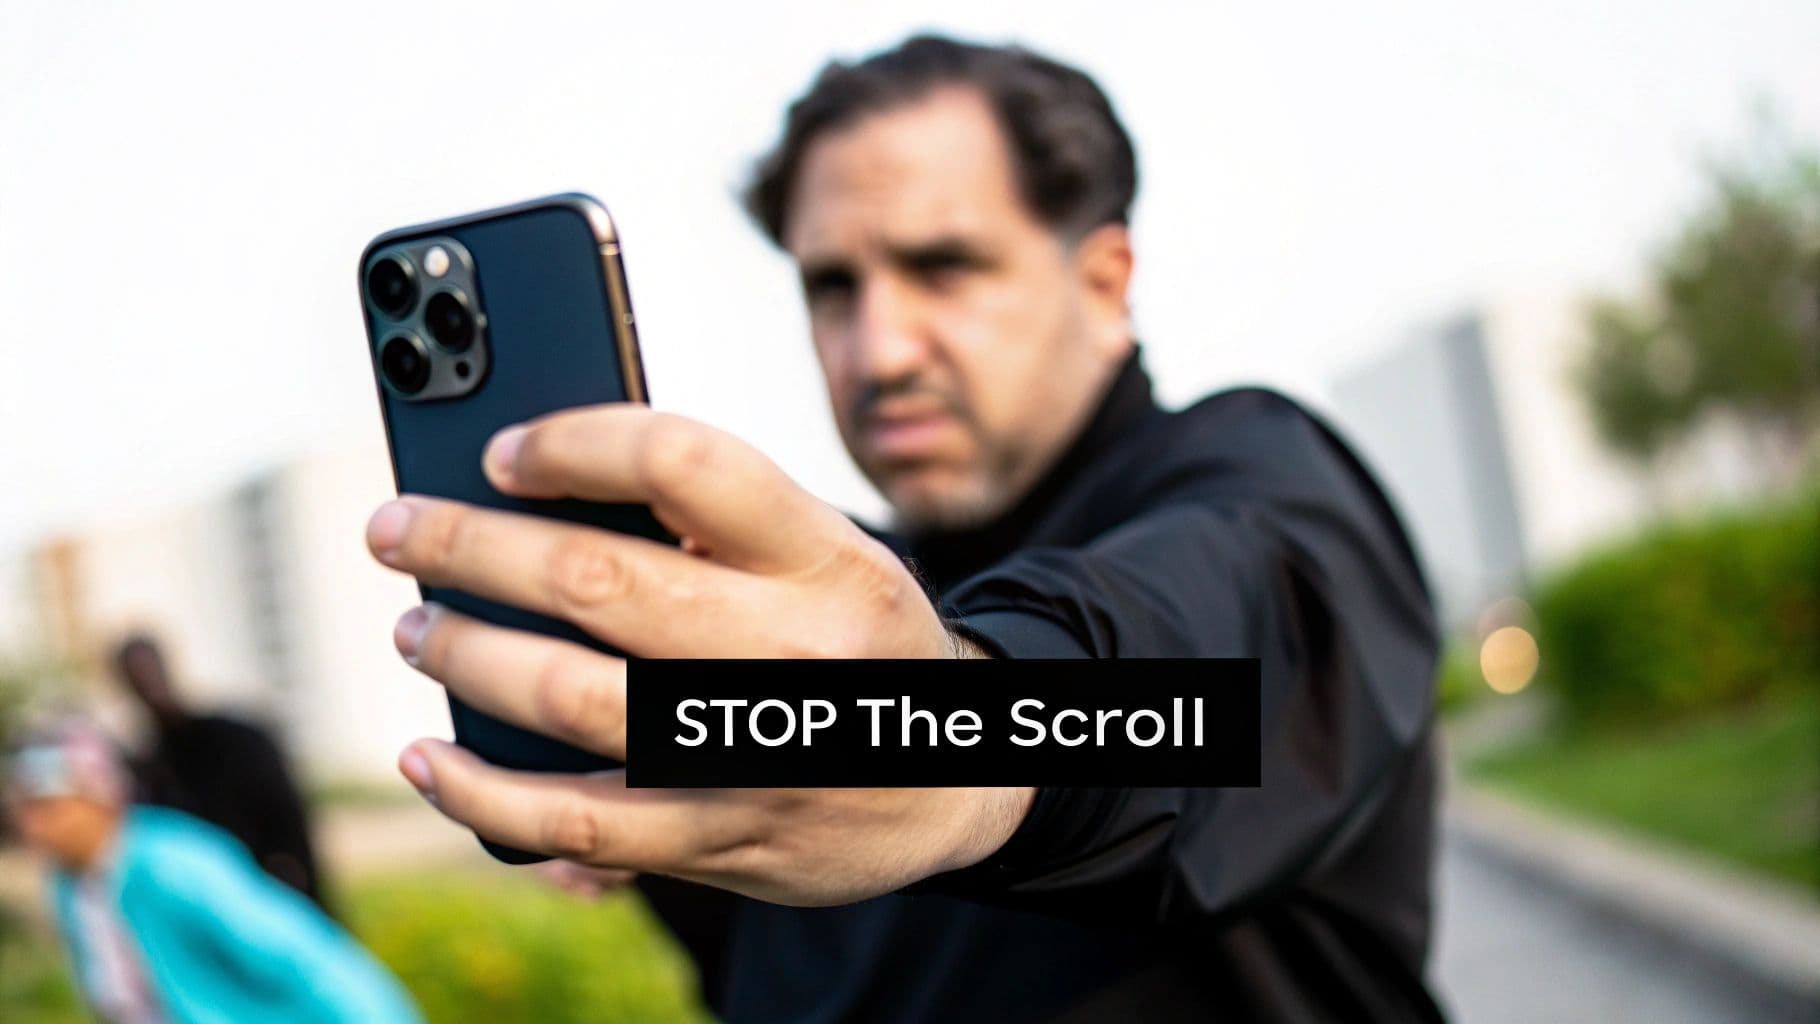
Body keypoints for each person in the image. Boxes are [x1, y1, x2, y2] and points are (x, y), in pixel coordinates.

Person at [365, 34, 1443, 1021]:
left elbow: (1198, 702)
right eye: (833, 287)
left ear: (1103, 281)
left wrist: (950, 736)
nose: (878, 349)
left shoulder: (1262, 487)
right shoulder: (795, 627)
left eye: (943, 267)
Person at [4, 719, 422, 1024]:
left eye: (46, 807)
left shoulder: (173, 865)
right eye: (22, 808)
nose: (30, 825)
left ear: (98, 796)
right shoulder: (69, 886)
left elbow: (306, 959)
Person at [113, 634, 327, 910]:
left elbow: (289, 819)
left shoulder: (237, 739)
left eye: (147, 670)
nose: (146, 683)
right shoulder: (150, 768)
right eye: (136, 675)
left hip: (274, 890)